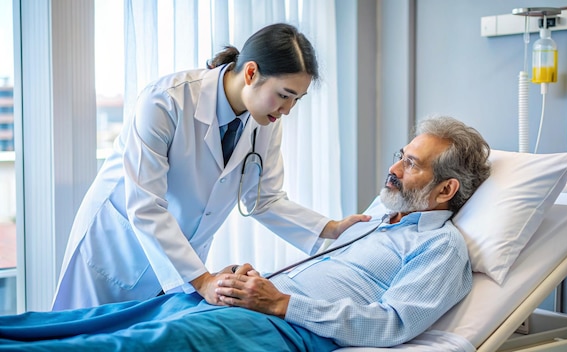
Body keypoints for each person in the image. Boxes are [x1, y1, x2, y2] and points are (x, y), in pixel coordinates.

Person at [3, 116, 490, 350]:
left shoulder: (440, 248)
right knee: (97, 321)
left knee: (140, 344)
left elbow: (392, 324)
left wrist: (279, 303)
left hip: (283, 326)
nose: (393, 168)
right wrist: (252, 283)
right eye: (400, 154)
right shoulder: (378, 221)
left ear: (446, 188)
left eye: (409, 164)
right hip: (246, 300)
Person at [51, 23, 369, 311]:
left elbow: (263, 199)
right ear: (251, 73)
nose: (286, 110)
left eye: (296, 100)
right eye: (283, 95)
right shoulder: (165, 102)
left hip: (181, 263)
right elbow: (146, 206)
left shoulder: (265, 121)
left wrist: (331, 229)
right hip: (117, 251)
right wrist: (202, 280)